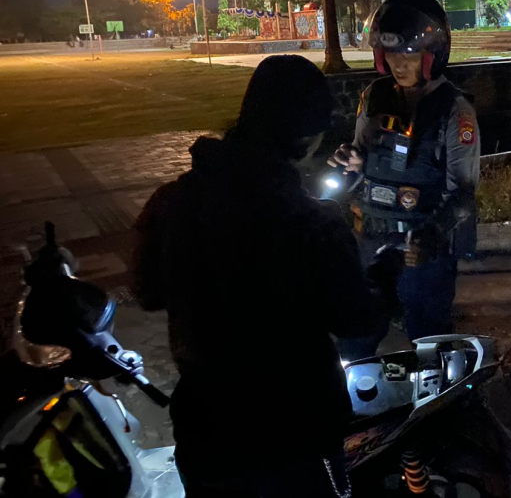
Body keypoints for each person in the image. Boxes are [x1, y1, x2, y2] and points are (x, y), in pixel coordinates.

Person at [131, 55, 381, 498]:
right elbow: (356, 321)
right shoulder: (312, 223)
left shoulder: (172, 201)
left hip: (208, 431)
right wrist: (382, 282)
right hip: (296, 435)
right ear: (305, 136)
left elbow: (147, 291)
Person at [330, 0, 480, 361]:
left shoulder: (455, 111)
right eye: (391, 53)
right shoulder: (374, 96)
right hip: (371, 240)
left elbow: (463, 190)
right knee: (355, 337)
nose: (398, 63)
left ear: (432, 55)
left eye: (409, 54)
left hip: (420, 250)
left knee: (429, 344)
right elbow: (361, 153)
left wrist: (432, 235)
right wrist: (353, 162)